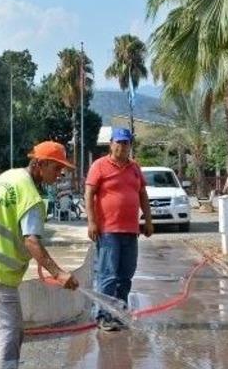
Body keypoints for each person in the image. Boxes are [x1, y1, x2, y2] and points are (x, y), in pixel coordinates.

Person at [0, 141, 79, 369]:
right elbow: (31, 241)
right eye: (56, 168)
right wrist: (58, 273)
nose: (60, 174)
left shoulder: (9, 177)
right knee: (11, 332)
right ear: (40, 164)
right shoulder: (32, 199)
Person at [84, 128, 153, 332]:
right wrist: (91, 222)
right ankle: (103, 315)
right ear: (111, 143)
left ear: (130, 145)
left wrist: (148, 220)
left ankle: (119, 312)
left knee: (126, 275)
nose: (122, 147)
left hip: (131, 230)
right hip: (108, 231)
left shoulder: (134, 168)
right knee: (108, 275)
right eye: (118, 142)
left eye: (126, 143)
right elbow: (89, 194)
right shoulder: (99, 166)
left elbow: (142, 194)